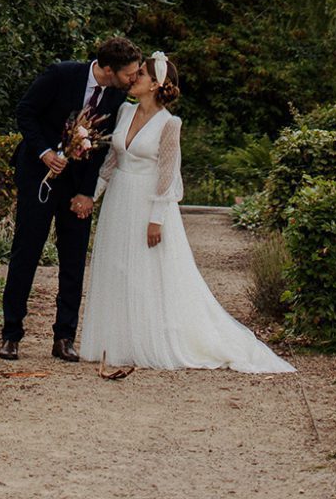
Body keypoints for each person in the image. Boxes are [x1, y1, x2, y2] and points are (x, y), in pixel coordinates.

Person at [77, 51, 295, 373]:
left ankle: (148, 340)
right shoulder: (124, 111)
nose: (133, 78)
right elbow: (111, 163)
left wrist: (157, 219)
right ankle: (118, 340)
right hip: (119, 200)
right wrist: (91, 197)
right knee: (117, 267)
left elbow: (167, 174)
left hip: (146, 202)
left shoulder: (169, 124)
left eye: (141, 75)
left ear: (155, 84)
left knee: (147, 273)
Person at [0, 35, 144, 361]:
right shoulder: (61, 74)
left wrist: (87, 193)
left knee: (75, 259)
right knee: (26, 252)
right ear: (108, 68)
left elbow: (102, 148)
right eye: (129, 74)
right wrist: (45, 152)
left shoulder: (117, 99)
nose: (133, 79)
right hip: (39, 176)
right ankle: (11, 335)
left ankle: (64, 337)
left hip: (77, 188)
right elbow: (25, 112)